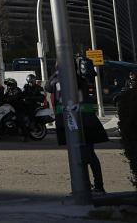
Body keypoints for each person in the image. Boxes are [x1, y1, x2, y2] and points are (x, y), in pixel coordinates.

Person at [46, 65, 108, 194]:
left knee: (86, 154)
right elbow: (48, 87)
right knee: (83, 154)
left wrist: (57, 72)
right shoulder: (69, 77)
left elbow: (49, 86)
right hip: (76, 119)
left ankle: (93, 186)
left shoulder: (70, 77)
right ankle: (87, 185)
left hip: (79, 119)